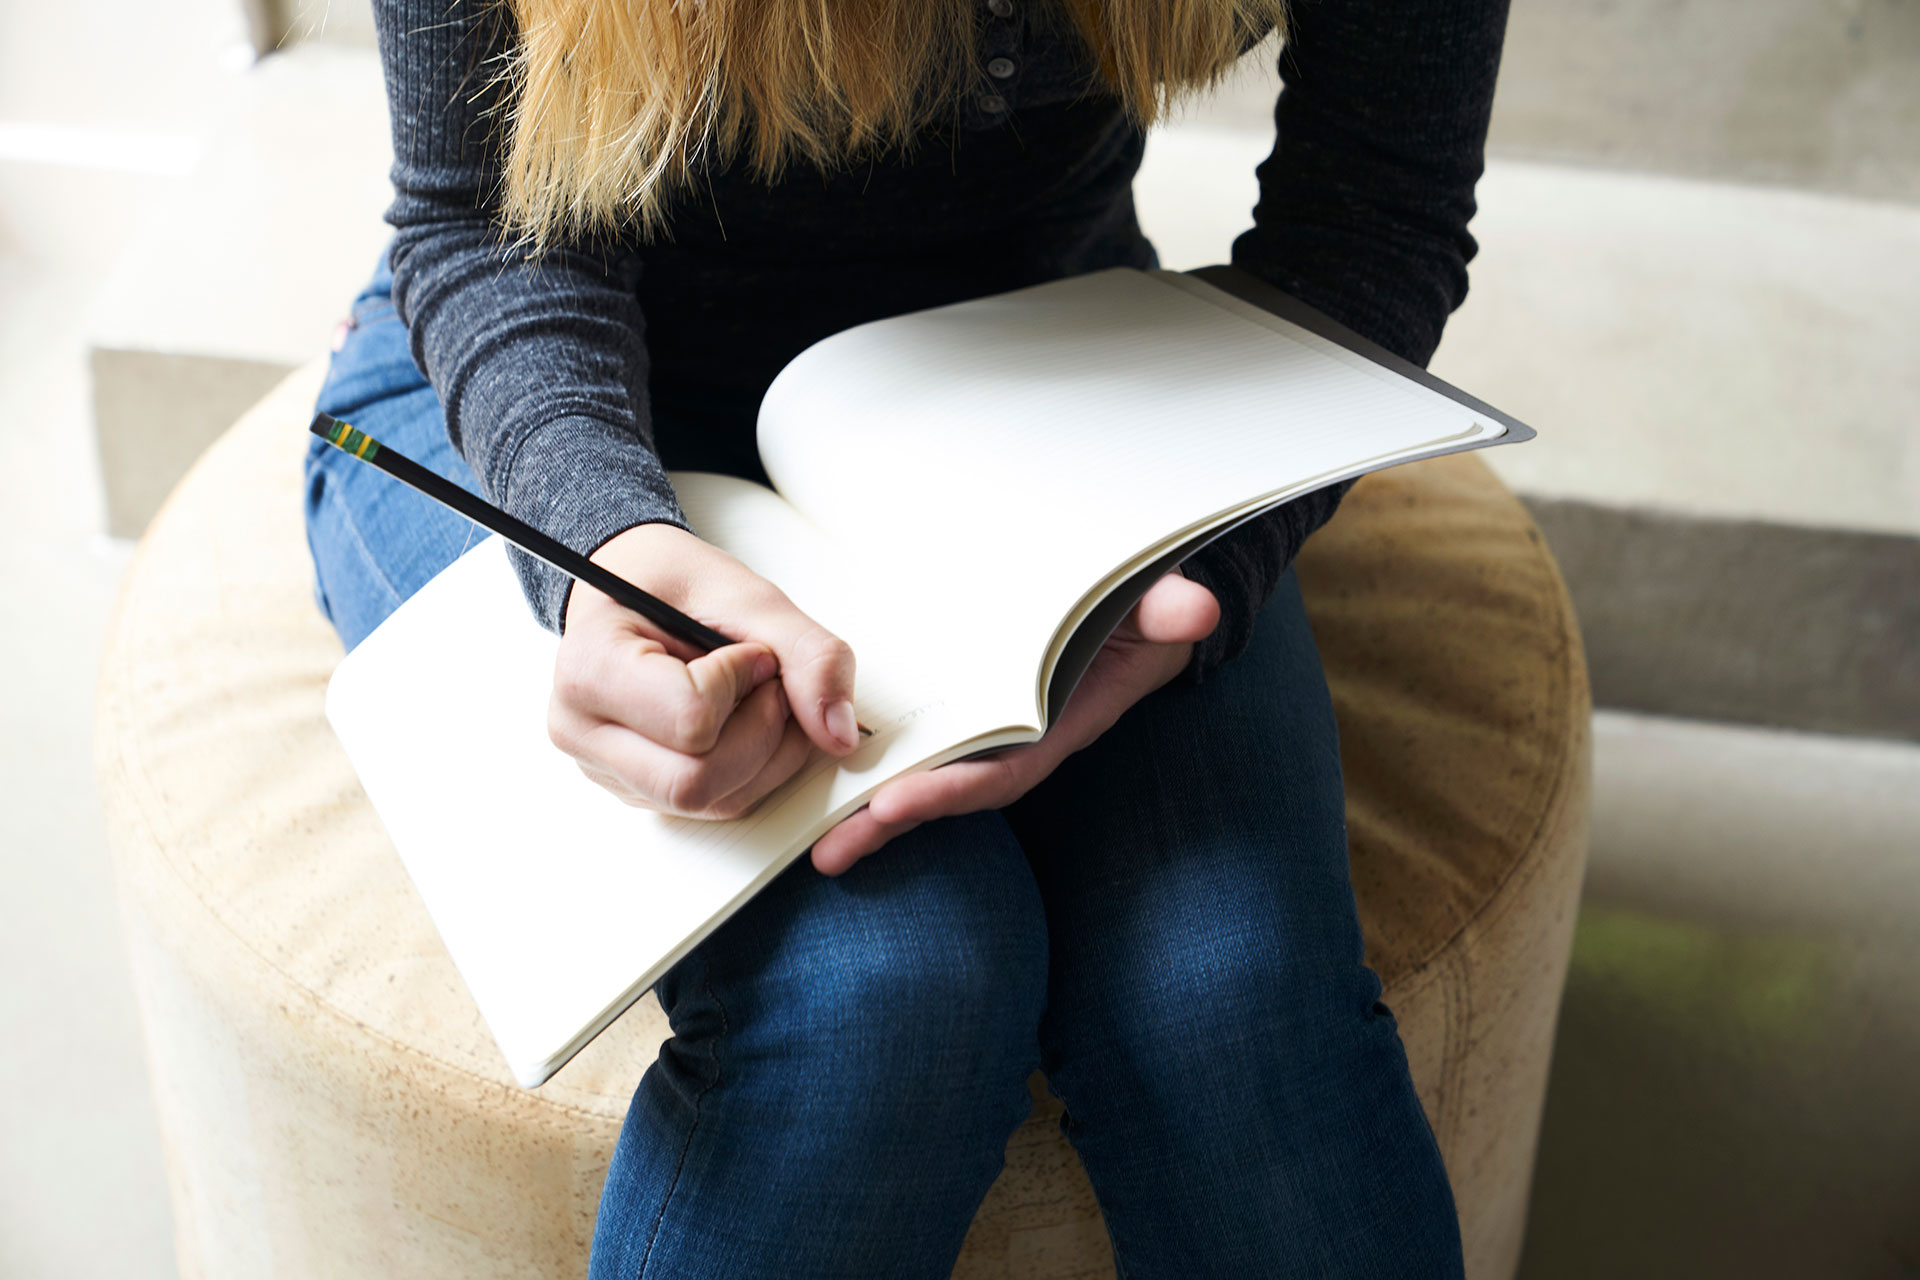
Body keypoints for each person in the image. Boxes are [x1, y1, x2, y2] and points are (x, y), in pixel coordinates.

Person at [304, 0, 1505, 1273]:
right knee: (880, 996)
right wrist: (600, 542)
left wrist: (1219, 564)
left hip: (1042, 366)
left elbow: (1378, 206)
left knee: (1232, 995)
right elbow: (486, 219)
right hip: (543, 372)